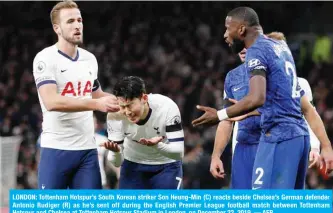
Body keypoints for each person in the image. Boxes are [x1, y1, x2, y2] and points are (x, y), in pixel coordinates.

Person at [193, 7, 333, 189]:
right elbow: (295, 104)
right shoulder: (281, 50)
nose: (225, 35)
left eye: (228, 29)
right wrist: (326, 146)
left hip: (278, 137)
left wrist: (220, 115)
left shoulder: (257, 51)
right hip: (293, 137)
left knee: (264, 204)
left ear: (242, 30)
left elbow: (257, 98)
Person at [210, 32, 323, 189]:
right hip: (245, 148)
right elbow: (228, 121)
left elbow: (306, 114)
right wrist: (216, 155)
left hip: (277, 143)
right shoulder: (232, 78)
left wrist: (315, 146)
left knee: (277, 201)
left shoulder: (291, 80)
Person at [32, 1, 119, 189]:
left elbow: (97, 95)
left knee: (90, 208)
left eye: (79, 20)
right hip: (56, 150)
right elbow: (51, 101)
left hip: (87, 151)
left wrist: (125, 104)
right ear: (57, 28)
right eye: (70, 21)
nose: (77, 25)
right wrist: (96, 105)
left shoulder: (89, 59)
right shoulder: (45, 58)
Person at [100, 76, 184, 189]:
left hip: (166, 166)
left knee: (165, 206)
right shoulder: (115, 115)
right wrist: (116, 152)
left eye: (130, 105)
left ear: (144, 98)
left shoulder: (167, 108)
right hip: (132, 166)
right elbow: (116, 163)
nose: (127, 112)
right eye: (123, 107)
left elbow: (179, 153)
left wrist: (158, 146)